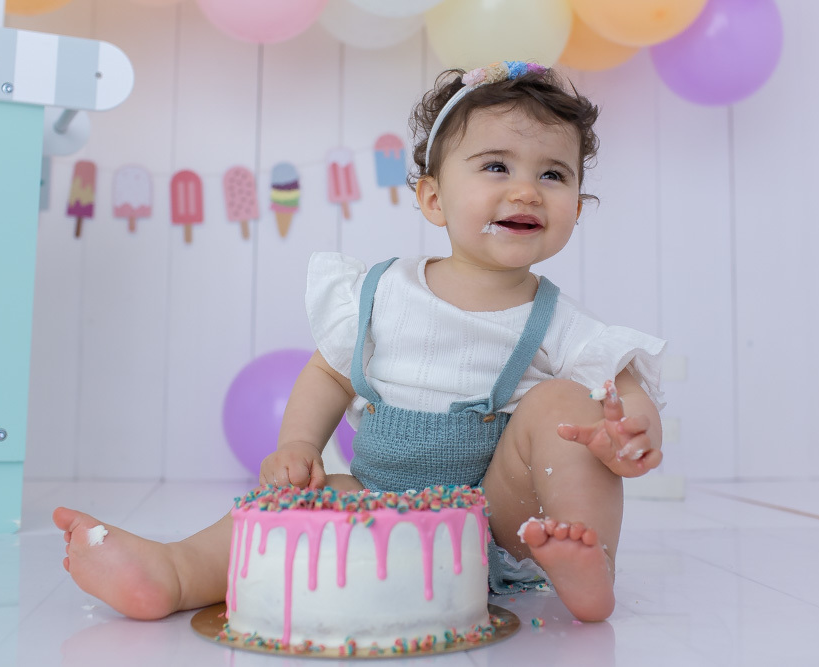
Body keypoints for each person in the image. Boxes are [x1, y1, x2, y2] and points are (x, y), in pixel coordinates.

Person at [53, 61, 665, 624]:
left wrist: (630, 429)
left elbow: (619, 383)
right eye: (496, 166)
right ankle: (177, 571)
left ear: (577, 208)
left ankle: (584, 562)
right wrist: (299, 443)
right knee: (295, 503)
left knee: (565, 403)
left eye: (553, 174)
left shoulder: (556, 319)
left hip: (500, 523)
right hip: (377, 502)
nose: (528, 190)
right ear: (432, 197)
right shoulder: (381, 292)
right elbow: (329, 373)